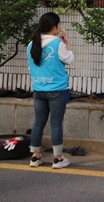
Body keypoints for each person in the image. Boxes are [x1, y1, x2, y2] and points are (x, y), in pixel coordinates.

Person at [27, 12, 74, 169]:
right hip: (56, 90)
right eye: (58, 25)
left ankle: (35, 157)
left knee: (38, 123)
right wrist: (67, 43)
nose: (59, 27)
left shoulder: (31, 44)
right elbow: (69, 59)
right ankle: (58, 159)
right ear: (54, 27)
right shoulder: (57, 44)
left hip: (38, 89)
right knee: (56, 124)